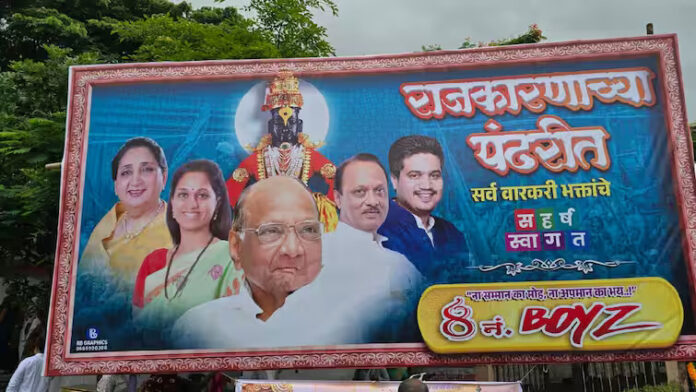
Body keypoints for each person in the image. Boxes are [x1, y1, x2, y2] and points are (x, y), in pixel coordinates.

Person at [171, 176, 328, 348]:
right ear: (236, 247)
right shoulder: (198, 330)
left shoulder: (352, 326)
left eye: (308, 230)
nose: (292, 250)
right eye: (272, 231)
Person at [322, 153, 423, 341]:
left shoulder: (402, 264)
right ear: (338, 198)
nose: (373, 201)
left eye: (379, 191)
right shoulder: (319, 256)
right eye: (360, 192)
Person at [132, 160, 243, 326]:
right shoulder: (153, 263)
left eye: (202, 195)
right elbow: (135, 331)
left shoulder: (232, 256)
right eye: (183, 195)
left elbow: (240, 326)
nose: (192, 204)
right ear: (173, 203)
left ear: (218, 203)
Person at [226, 70, 338, 230]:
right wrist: (249, 210)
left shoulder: (309, 157)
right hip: (266, 224)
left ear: (299, 125)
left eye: (290, 122)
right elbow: (231, 190)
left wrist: (319, 205)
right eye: (279, 122)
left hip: (301, 223)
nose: (285, 128)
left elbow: (339, 181)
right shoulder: (258, 159)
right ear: (270, 126)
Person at [80, 137, 172, 282]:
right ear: (116, 185)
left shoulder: (179, 228)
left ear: (164, 178)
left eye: (146, 170)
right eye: (126, 172)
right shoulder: (107, 226)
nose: (135, 181)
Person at [378, 135, 468, 277]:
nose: (427, 185)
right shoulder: (379, 230)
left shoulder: (452, 233)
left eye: (434, 175)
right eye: (414, 175)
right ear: (394, 181)